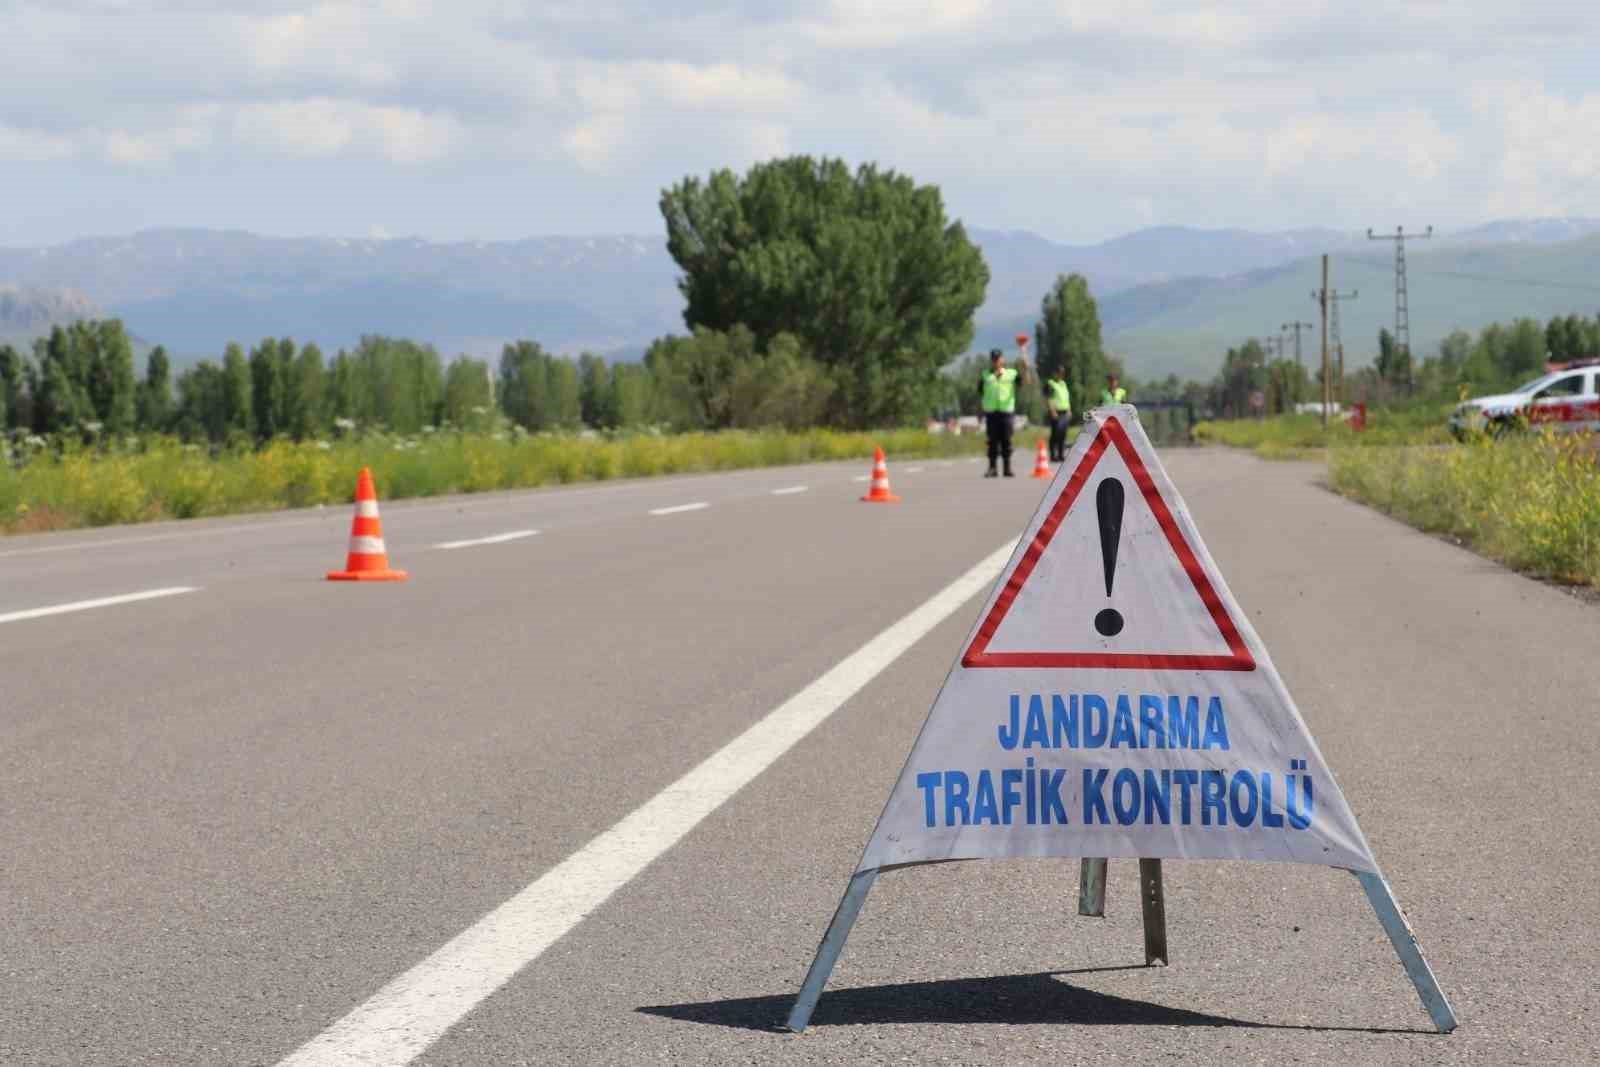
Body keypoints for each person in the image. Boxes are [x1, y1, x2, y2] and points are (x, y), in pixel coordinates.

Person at [979, 348, 1027, 477]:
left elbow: (1023, 382)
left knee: (1006, 441)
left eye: (998, 358)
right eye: (994, 359)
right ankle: (992, 468)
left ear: (1002, 360)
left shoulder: (1011, 373)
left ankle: (1007, 468)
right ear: (991, 361)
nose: (996, 361)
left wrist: (1025, 368)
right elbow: (980, 393)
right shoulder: (985, 375)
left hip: (1006, 412)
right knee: (992, 441)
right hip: (991, 413)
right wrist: (980, 411)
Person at [1043, 367, 1071, 463]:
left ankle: (1061, 454)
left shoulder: (1063, 384)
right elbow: (1048, 398)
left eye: (1062, 373)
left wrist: (1069, 409)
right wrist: (1052, 410)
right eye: (1059, 372)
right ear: (1055, 373)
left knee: (1063, 434)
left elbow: (1066, 398)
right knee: (1055, 434)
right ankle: (1053, 455)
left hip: (1064, 411)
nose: (1060, 374)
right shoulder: (1050, 383)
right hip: (1056, 412)